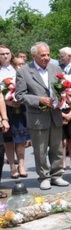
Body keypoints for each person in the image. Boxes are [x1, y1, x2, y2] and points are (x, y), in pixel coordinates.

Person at [14, 42, 69, 190]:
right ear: (34, 56)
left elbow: (62, 87)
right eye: (43, 55)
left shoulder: (55, 68)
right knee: (40, 149)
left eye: (48, 55)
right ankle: (44, 177)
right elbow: (19, 96)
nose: (46, 58)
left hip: (55, 114)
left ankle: (57, 175)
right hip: (38, 116)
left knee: (57, 148)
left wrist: (65, 95)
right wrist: (39, 100)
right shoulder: (24, 71)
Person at [0, 45, 29, 181]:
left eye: (7, 53)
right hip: (5, 108)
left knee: (21, 138)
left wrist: (20, 99)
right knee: (8, 139)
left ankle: (21, 165)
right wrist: (8, 101)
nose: (5, 56)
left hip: (19, 106)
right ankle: (12, 166)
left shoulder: (17, 68)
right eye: (2, 54)